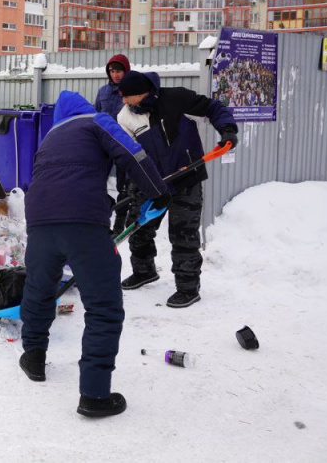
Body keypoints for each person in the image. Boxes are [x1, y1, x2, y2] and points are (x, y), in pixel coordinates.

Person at [20, 90, 170, 418]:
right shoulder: (96, 121)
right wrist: (158, 192)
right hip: (83, 222)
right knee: (103, 306)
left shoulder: (51, 136)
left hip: (39, 221)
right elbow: (132, 154)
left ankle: (33, 356)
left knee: (39, 288)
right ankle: (95, 394)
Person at [115, 71, 239, 308]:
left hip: (186, 178)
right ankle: (144, 271)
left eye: (127, 96)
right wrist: (135, 185)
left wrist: (228, 129)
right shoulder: (125, 117)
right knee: (139, 228)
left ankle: (188, 288)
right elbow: (130, 156)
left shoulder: (175, 98)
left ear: (142, 93)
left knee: (183, 234)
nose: (124, 102)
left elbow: (212, 108)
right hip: (153, 183)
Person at [95, 54, 131, 235]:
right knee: (100, 183)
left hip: (124, 142)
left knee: (123, 185)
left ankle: (120, 222)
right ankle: (102, 221)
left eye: (119, 71)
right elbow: (96, 114)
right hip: (104, 143)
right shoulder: (103, 92)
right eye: (113, 71)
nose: (116, 75)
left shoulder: (130, 91)